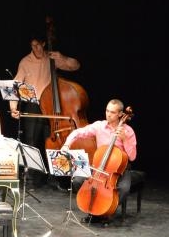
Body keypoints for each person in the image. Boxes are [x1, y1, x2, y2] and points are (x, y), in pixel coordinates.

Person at [8, 36, 80, 185]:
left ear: (44, 43)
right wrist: (13, 107)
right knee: (31, 141)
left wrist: (62, 57)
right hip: (32, 104)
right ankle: (31, 177)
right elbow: (16, 83)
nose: (37, 49)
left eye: (39, 45)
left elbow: (75, 66)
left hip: (51, 105)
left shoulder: (51, 57)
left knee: (53, 140)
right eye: (33, 46)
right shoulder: (25, 62)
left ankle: (56, 177)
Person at [61, 99, 138, 227]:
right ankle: (93, 210)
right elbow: (78, 132)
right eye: (107, 111)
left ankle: (105, 212)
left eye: (112, 112)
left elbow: (132, 157)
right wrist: (66, 144)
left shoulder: (128, 131)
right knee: (77, 180)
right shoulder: (99, 126)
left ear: (120, 114)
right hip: (100, 167)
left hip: (119, 170)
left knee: (123, 189)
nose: (108, 114)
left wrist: (125, 139)